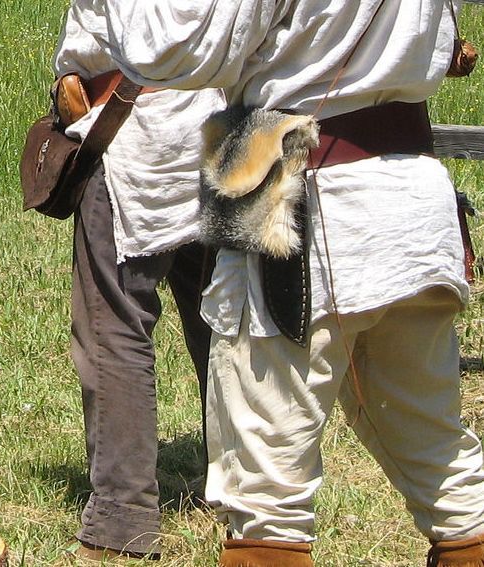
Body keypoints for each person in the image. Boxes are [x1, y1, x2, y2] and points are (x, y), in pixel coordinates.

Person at [60, 0, 484, 565]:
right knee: (440, 456)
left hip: (307, 204)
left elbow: (165, 51)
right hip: (410, 199)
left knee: (265, 494)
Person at [51, 11, 227, 559]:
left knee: (115, 327)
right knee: (225, 321)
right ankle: (248, 494)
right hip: (218, 121)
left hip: (138, 134)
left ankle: (122, 517)